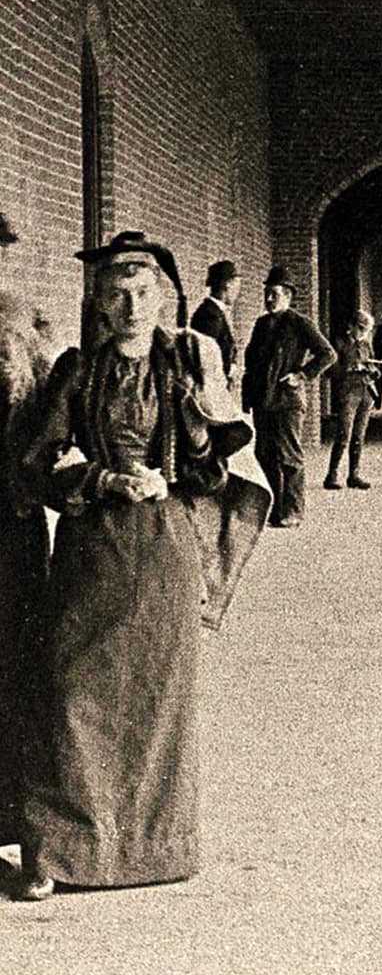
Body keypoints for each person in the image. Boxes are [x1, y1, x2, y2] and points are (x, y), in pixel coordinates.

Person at [17, 231, 268, 901]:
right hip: (91, 551)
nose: (130, 307)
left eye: (142, 293)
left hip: (164, 549)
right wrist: (100, 479)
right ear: (99, 303)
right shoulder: (76, 372)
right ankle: (60, 852)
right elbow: (40, 462)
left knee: (159, 702)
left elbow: (218, 463)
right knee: (71, 694)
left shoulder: (186, 364)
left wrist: (172, 474)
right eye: (117, 295)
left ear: (161, 299)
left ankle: (155, 850)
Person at [0, 290, 51, 855]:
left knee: (15, 666)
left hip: (10, 529)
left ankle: (19, 826)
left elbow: (41, 433)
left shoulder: (17, 325)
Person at [242, 266, 336, 527]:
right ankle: (274, 510)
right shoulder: (261, 324)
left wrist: (302, 375)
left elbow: (328, 354)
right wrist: (249, 397)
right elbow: (252, 361)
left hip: (288, 402)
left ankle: (294, 511)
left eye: (274, 294)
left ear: (288, 296)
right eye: (267, 293)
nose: (268, 299)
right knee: (265, 455)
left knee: (289, 456)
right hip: (264, 401)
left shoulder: (299, 323)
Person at [324, 311, 381, 490]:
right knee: (344, 433)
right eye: (361, 329)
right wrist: (349, 368)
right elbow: (330, 370)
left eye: (367, 330)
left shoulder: (366, 344)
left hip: (366, 391)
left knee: (359, 435)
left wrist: (374, 371)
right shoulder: (339, 343)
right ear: (351, 326)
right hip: (348, 392)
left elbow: (372, 363)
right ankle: (332, 475)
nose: (364, 333)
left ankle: (353, 474)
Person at [190, 259, 241, 389]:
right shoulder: (209, 315)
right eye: (237, 285)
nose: (238, 292)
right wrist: (230, 371)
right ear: (228, 284)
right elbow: (207, 359)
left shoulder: (215, 312)